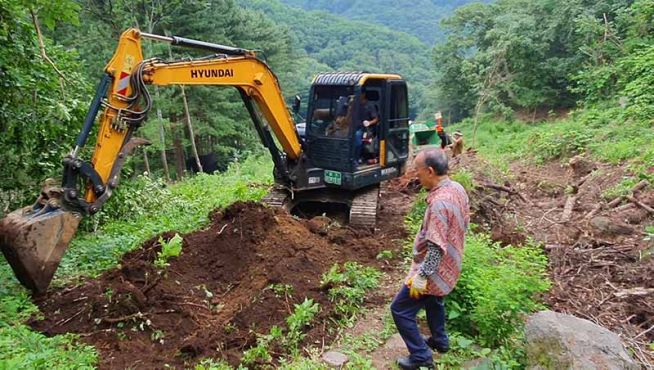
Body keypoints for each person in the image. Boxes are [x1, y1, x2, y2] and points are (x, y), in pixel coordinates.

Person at [390, 149, 470, 370]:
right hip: (450, 265)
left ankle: (421, 356)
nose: (416, 175)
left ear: (430, 171)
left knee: (400, 309)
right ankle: (440, 341)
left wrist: (421, 276)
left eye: (418, 170)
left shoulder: (439, 204)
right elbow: (464, 223)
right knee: (435, 301)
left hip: (433, 269)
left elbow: (435, 249)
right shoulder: (457, 188)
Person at [353, 89, 379, 166]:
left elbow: (376, 119)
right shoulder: (355, 105)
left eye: (359, 94)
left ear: (363, 94)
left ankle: (356, 159)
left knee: (357, 138)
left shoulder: (370, 105)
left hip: (365, 129)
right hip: (353, 127)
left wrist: (369, 123)